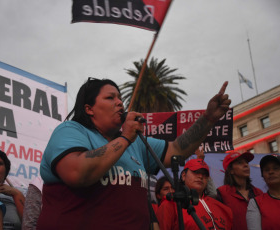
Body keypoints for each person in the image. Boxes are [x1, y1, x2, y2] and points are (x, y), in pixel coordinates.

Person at [37, 78, 231, 229]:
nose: (120, 103)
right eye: (110, 97)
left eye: (120, 97)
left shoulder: (136, 142)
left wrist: (208, 119)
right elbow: (77, 172)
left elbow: (177, 149)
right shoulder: (71, 131)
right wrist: (126, 137)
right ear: (89, 109)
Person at [156, 159, 233, 230]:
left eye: (205, 174)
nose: (200, 176)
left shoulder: (224, 209)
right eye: (196, 172)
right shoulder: (170, 204)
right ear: (183, 176)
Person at [216, 151, 263, 230]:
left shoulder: (259, 193)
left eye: (246, 162)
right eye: (240, 163)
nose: (246, 165)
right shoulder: (221, 193)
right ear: (231, 170)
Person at [246, 154, 280, 230]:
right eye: (266, 170)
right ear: (263, 176)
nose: (271, 172)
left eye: (276, 168)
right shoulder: (255, 203)